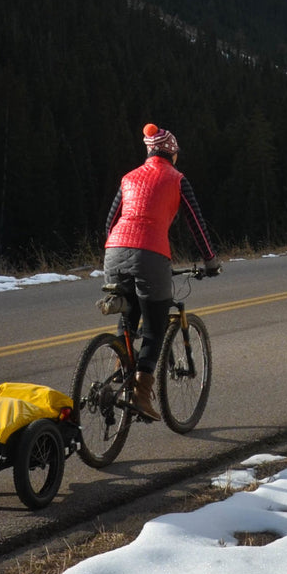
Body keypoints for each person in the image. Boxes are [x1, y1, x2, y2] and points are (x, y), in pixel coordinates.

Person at [103, 123, 220, 419]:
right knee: (155, 327)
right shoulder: (177, 179)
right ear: (172, 153)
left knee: (128, 317)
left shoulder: (128, 178)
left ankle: (118, 376)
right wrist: (210, 260)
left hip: (114, 251)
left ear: (149, 151)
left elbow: (110, 221)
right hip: (151, 254)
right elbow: (196, 223)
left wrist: (115, 253)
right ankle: (141, 396)